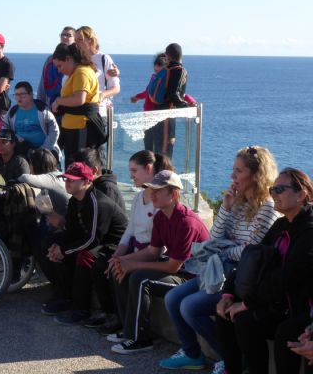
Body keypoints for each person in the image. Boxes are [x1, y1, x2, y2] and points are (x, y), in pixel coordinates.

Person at [160, 146, 279, 372]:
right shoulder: (239, 202)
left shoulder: (267, 208)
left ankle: (231, 358)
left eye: (238, 171)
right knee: (173, 298)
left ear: (256, 175)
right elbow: (214, 238)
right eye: (233, 170)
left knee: (190, 306)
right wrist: (225, 207)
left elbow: (250, 250)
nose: (232, 176)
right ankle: (191, 353)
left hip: (240, 274)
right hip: (220, 268)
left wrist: (225, 249)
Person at [215, 168, 313, 374]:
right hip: (276, 302)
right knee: (227, 315)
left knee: (284, 333)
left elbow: (288, 277)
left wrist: (248, 302)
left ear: (301, 195)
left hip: (298, 306)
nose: (273, 193)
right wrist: (229, 293)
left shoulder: (309, 231)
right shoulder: (281, 225)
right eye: (272, 189)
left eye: (279, 189)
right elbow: (250, 260)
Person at [107, 170, 209, 355]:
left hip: (195, 278)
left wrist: (134, 264)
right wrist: (121, 260)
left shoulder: (187, 222)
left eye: (158, 190)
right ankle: (129, 328)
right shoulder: (161, 216)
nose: (152, 194)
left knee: (140, 278)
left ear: (174, 194)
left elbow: (173, 266)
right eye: (151, 190)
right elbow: (153, 251)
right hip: (180, 270)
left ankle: (140, 339)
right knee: (122, 268)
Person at [87, 150, 173, 331]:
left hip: (152, 253)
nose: (131, 176)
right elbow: (130, 231)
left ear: (148, 168)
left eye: (134, 171)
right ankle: (114, 315)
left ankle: (127, 323)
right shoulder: (138, 197)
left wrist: (124, 260)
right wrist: (117, 255)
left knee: (122, 271)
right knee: (103, 264)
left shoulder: (159, 202)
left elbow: (158, 248)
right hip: (137, 249)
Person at [41, 162, 128, 326]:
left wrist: (64, 251)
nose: (67, 183)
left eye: (72, 180)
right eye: (66, 179)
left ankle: (81, 309)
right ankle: (65, 297)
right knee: (51, 242)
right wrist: (57, 247)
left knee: (84, 256)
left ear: (87, 182)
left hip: (114, 245)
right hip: (95, 241)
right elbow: (73, 231)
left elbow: (93, 239)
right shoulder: (75, 200)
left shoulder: (97, 202)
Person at [51, 44, 104, 166]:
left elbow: (79, 99)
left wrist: (58, 101)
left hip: (82, 127)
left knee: (80, 165)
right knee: (73, 165)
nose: (59, 70)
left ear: (68, 59)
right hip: (73, 128)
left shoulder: (82, 72)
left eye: (60, 65)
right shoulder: (75, 73)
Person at [148, 43, 189, 159]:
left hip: (157, 114)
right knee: (165, 153)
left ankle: (158, 175)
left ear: (167, 55)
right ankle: (164, 175)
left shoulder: (165, 70)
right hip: (167, 116)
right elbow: (174, 95)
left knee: (158, 151)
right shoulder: (179, 70)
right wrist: (187, 108)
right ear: (181, 55)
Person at [2, 81, 61, 160]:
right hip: (21, 150)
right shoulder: (12, 112)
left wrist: (43, 150)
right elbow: (5, 129)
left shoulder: (42, 110)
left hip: (44, 150)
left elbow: (54, 131)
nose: (18, 97)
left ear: (31, 95)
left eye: (22, 94)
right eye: (16, 94)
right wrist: (16, 137)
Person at [74, 26, 121, 120]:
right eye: (75, 40)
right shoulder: (76, 59)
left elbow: (116, 88)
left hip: (98, 112)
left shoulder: (104, 59)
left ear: (90, 41)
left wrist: (102, 95)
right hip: (79, 113)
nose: (76, 43)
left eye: (80, 39)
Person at [73, 147, 126, 214]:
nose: (76, 175)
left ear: (95, 170)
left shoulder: (107, 189)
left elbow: (104, 219)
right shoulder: (87, 185)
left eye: (81, 171)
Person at [36, 26, 76, 107]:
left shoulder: (77, 60)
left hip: (70, 106)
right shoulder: (50, 59)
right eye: (62, 35)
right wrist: (39, 104)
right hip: (51, 105)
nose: (64, 37)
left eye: (68, 35)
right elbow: (43, 83)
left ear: (75, 38)